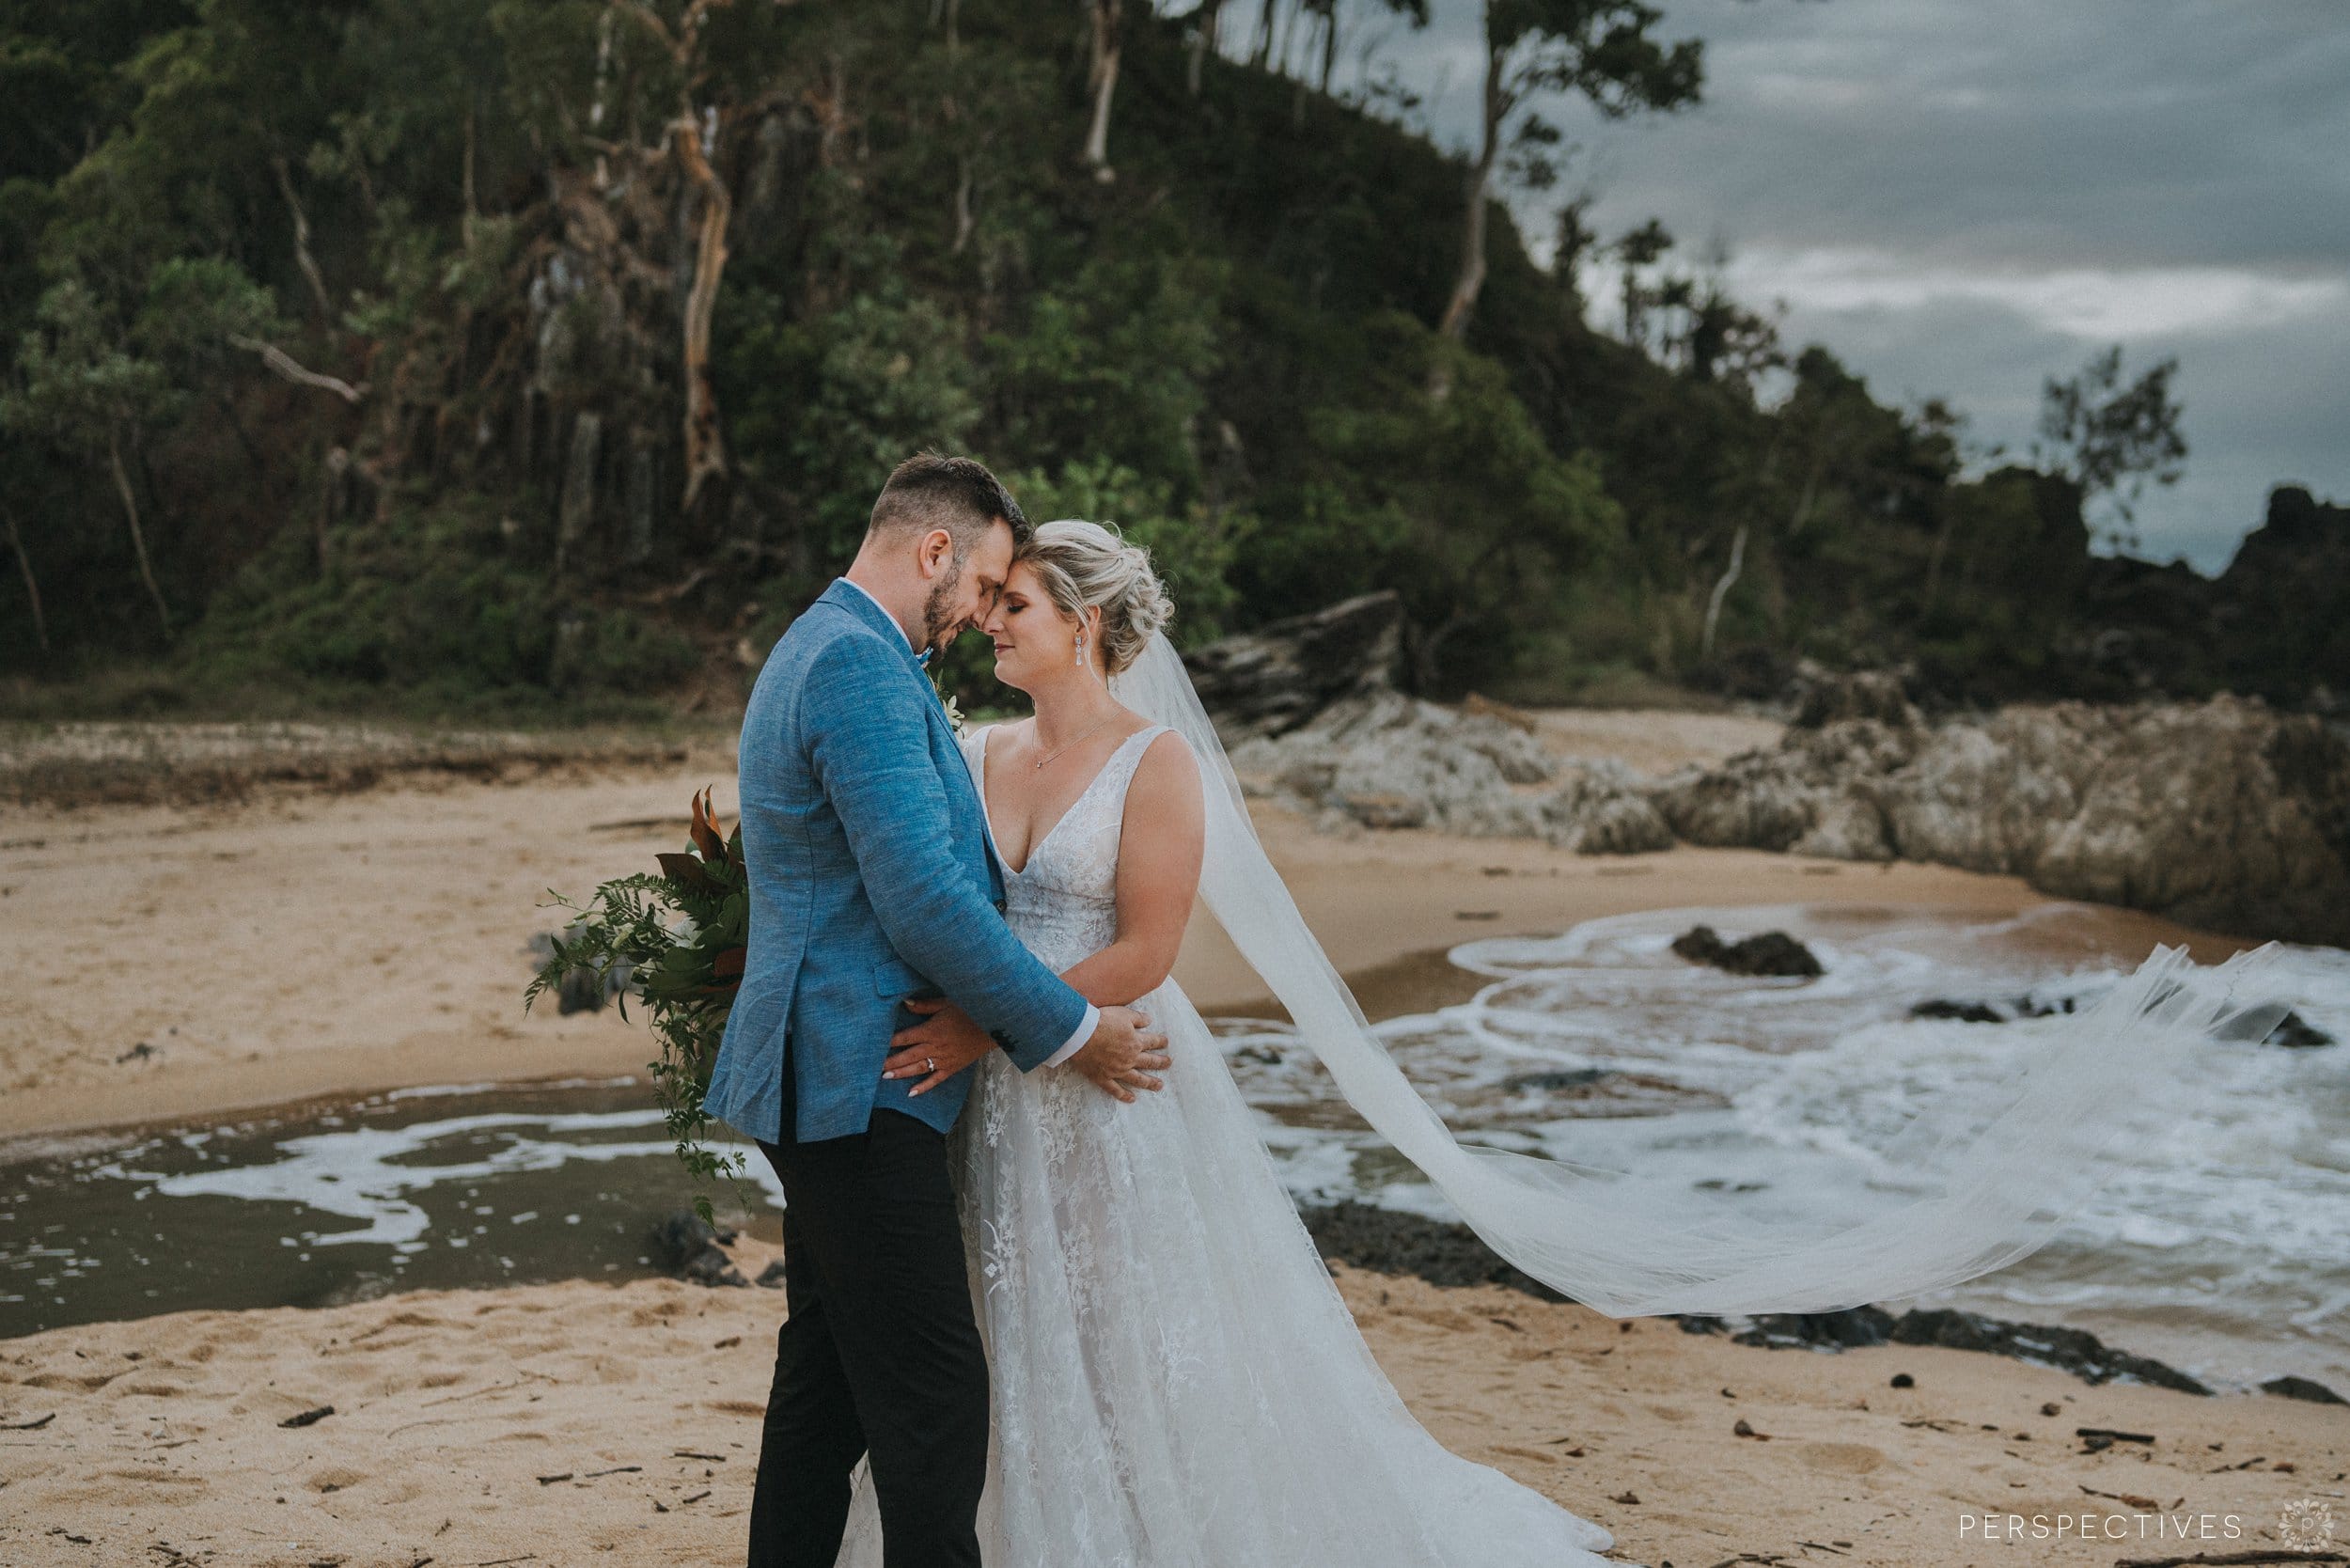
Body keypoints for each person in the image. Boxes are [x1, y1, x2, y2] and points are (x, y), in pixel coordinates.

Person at [848, 518, 1635, 1565]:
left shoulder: (1155, 763)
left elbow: (1144, 953)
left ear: (1083, 626)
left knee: (1114, 1328)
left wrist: (985, 1028)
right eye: (993, 603)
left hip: (1104, 1080)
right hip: (989, 1086)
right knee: (996, 1321)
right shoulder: (976, 750)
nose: (987, 620)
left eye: (1014, 605)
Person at [702, 459, 1171, 1568]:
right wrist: (1067, 1029)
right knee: (935, 1393)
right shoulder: (859, 666)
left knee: (827, 1377)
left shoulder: (833, 646)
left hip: (838, 1071)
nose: (978, 613)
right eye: (984, 584)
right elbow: (922, 898)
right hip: (859, 1076)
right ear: (933, 554)